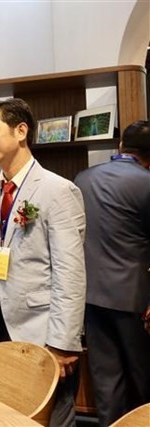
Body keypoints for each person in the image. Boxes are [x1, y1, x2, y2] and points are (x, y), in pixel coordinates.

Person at [0, 98, 86, 427]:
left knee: (52, 419)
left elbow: (70, 273)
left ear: (21, 131)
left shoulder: (58, 190)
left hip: (44, 332)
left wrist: (61, 343)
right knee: (6, 415)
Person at [74, 120, 150, 426]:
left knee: (107, 382)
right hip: (136, 299)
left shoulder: (83, 178)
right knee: (144, 379)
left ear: (120, 147)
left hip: (90, 295)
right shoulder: (146, 181)